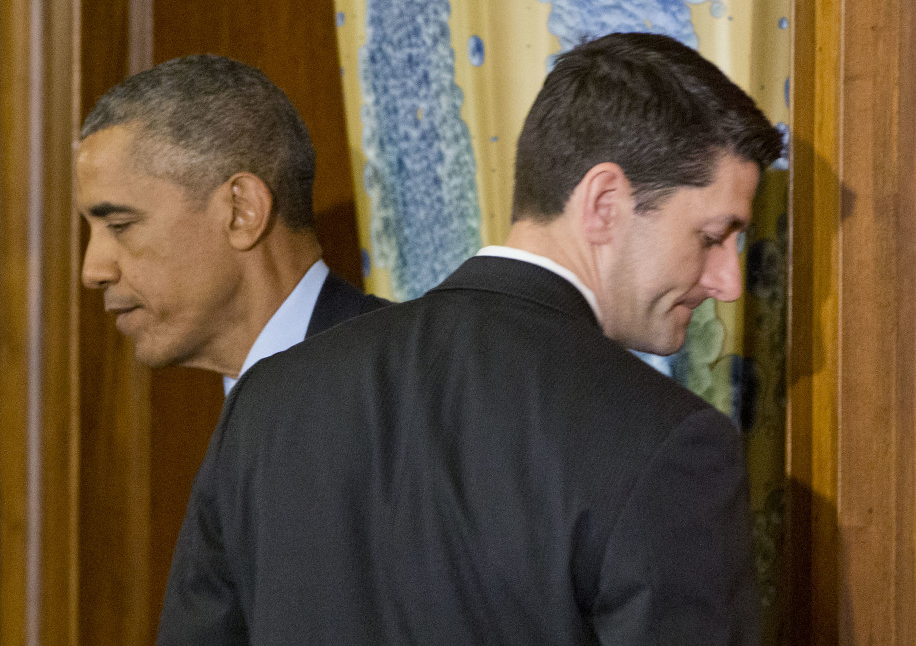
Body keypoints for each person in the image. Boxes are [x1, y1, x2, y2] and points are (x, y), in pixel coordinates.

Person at [157, 33, 782, 645]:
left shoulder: (270, 401)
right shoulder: (668, 442)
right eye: (712, 235)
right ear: (603, 202)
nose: (728, 282)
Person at [76, 55, 387, 390]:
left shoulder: (417, 383)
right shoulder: (246, 415)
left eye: (120, 225)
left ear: (242, 211)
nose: (92, 272)